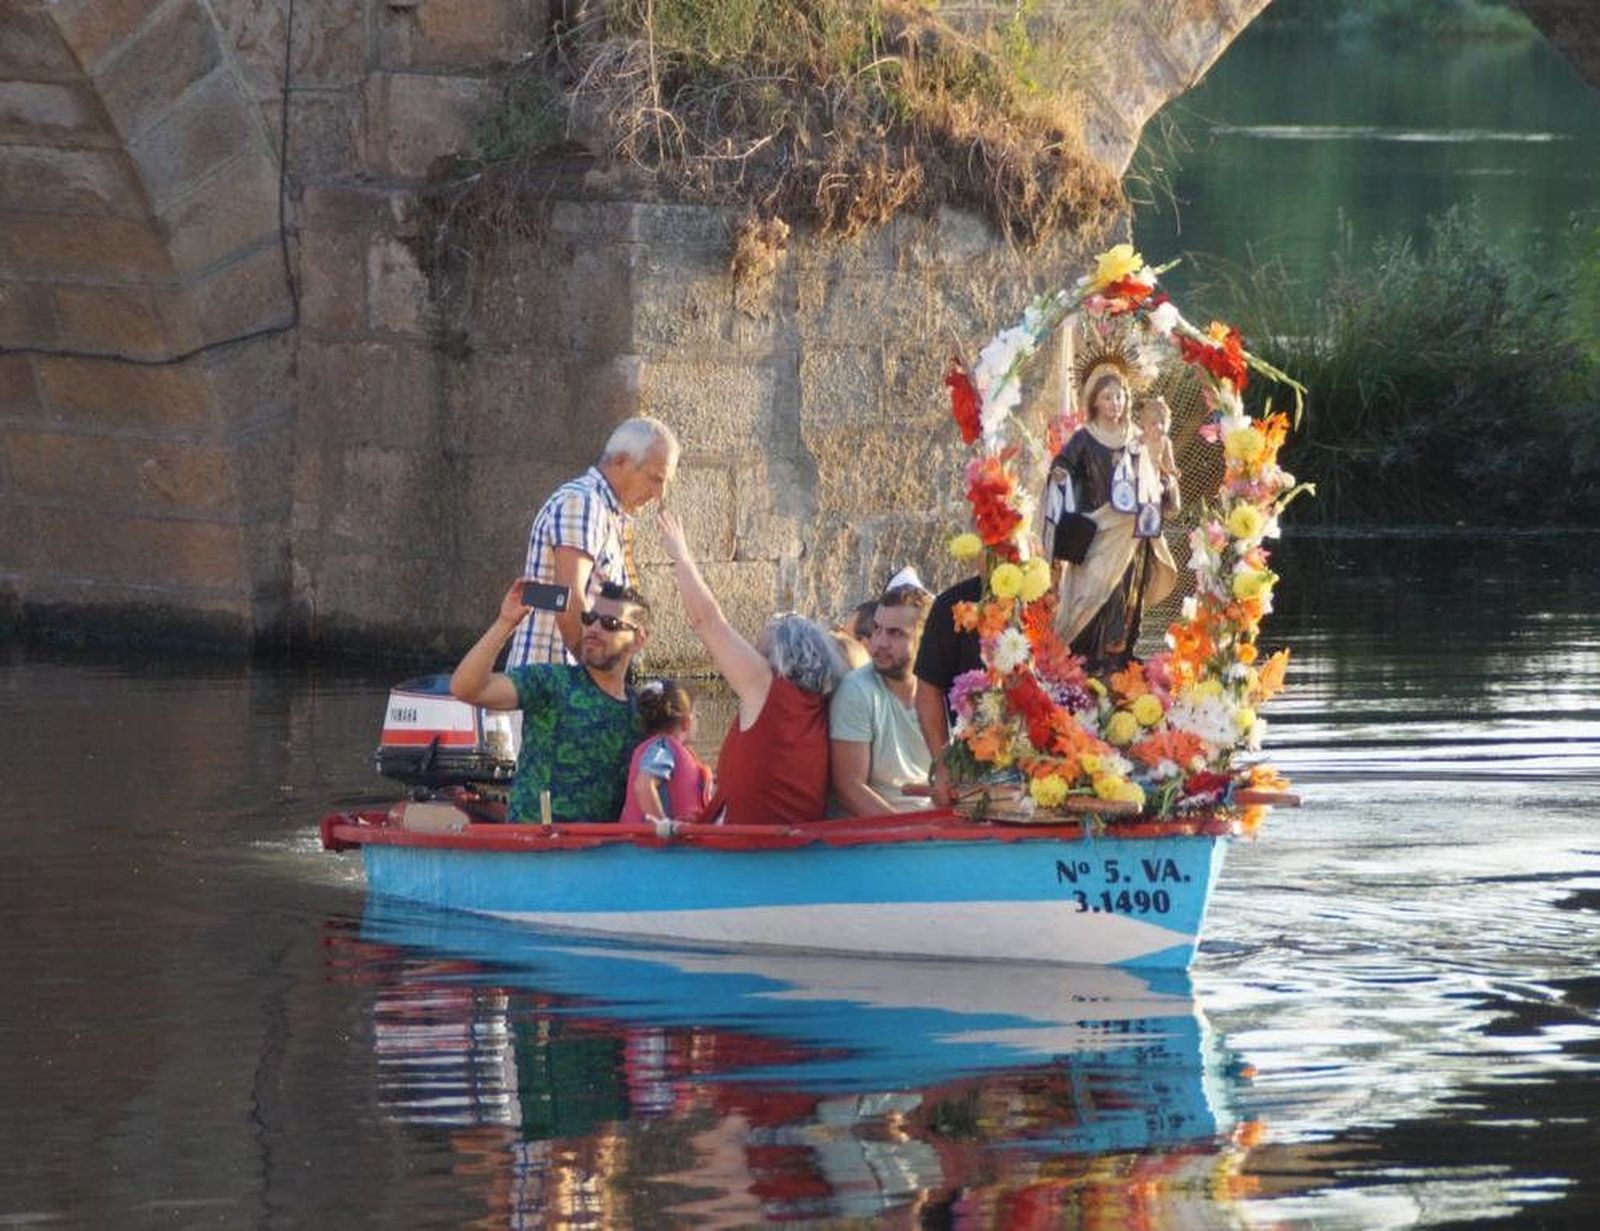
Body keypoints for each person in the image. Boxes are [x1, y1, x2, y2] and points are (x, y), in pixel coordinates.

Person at [656, 508, 846, 825]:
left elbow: (708, 621)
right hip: (795, 848)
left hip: (749, 850)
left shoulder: (767, 689)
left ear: (777, 654)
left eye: (761, 641)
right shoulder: (821, 705)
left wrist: (682, 556)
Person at [451, 579, 651, 822]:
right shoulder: (551, 681)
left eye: (610, 623)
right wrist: (506, 622)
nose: (594, 629)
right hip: (534, 847)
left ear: (638, 639)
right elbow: (466, 689)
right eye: (589, 618)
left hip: (600, 852)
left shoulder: (644, 710)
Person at [507, 417, 680, 668]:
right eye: (655, 479)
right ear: (621, 461)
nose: (659, 494)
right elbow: (568, 598)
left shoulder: (602, 509)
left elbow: (552, 594)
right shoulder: (584, 504)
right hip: (558, 687)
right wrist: (601, 682)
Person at [1043, 363, 1178, 674]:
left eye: (1119, 397)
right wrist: (1060, 472)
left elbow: (1156, 476)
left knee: (1125, 591)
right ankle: (1087, 657)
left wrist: (1159, 477)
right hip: (1098, 529)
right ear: (1094, 402)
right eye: (1107, 397)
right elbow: (1063, 463)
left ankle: (1119, 656)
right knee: (1092, 591)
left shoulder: (1137, 438)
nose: (1114, 404)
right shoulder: (1084, 438)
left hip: (1131, 530)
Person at [829, 584, 934, 815]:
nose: (879, 643)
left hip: (937, 829)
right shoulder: (857, 691)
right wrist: (907, 837)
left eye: (895, 633)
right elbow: (849, 787)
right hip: (882, 838)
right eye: (877, 629)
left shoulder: (944, 692)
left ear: (925, 639)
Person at [912, 573, 984, 806]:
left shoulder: (1056, 599)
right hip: (975, 768)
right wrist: (942, 764)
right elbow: (928, 688)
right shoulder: (952, 604)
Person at [619, 680, 714, 824]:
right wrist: (663, 825)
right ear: (686, 721)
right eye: (696, 715)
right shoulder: (662, 749)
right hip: (656, 845)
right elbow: (643, 785)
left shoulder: (663, 749)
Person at [1136, 394, 1181, 514]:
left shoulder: (1165, 441)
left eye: (1163, 422)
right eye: (1153, 423)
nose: (1159, 427)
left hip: (1156, 479)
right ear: (1144, 424)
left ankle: (1170, 507)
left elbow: (1169, 464)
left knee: (1170, 486)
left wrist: (1173, 472)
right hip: (1139, 478)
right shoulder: (1139, 440)